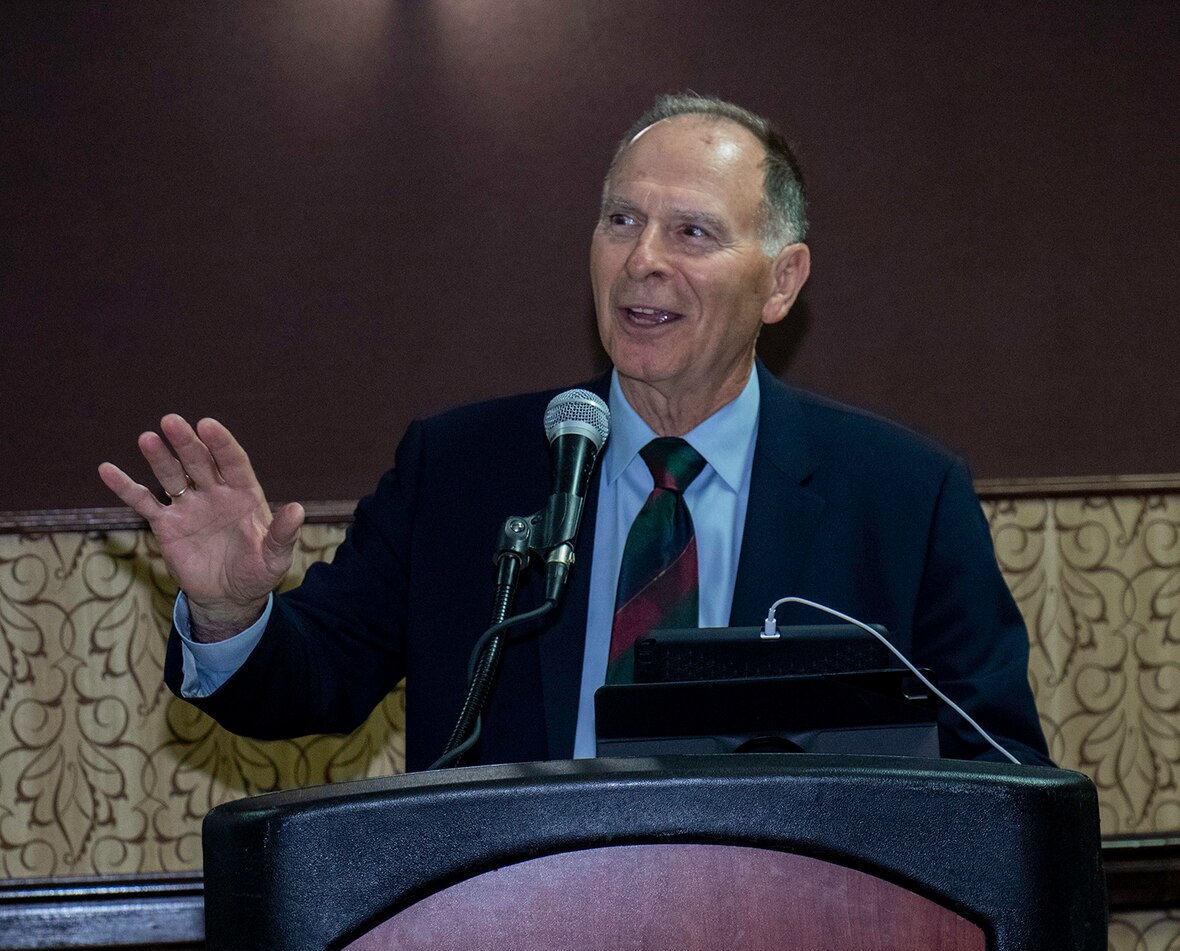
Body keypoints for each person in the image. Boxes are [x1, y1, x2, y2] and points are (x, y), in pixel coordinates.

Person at [99, 93, 1052, 769]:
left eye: (692, 233)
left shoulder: (899, 498)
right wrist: (231, 615)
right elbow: (314, 684)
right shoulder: (463, 471)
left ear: (782, 280)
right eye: (620, 220)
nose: (642, 260)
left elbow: (999, 773)